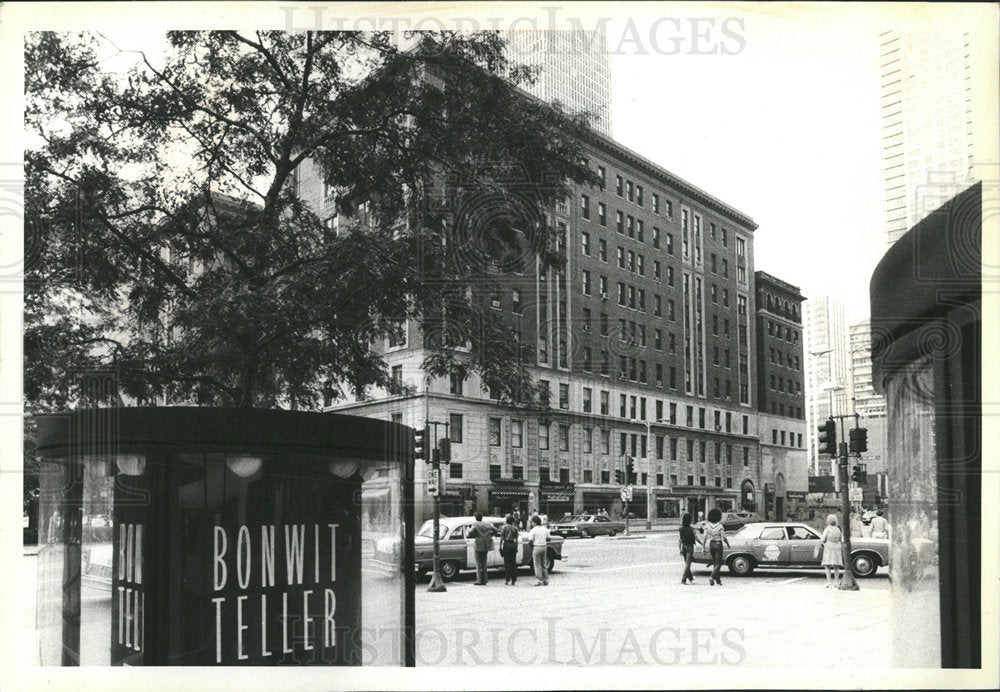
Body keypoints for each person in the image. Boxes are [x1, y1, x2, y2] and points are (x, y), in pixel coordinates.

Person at [701, 508, 729, 586]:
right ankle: (712, 577)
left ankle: (718, 581)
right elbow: (723, 537)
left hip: (711, 544)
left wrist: (703, 547)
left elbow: (704, 537)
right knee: (718, 563)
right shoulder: (720, 526)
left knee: (715, 563)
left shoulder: (707, 525)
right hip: (718, 544)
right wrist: (728, 544)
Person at [469, 512, 496, 585]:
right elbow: (495, 530)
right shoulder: (487, 524)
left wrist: (474, 535)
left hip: (478, 544)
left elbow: (470, 532)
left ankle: (479, 580)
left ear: (476, 518)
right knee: (484, 563)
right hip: (486, 544)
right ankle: (485, 580)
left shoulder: (475, 524)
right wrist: (490, 535)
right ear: (482, 517)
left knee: (478, 563)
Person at [819, 514, 844, 587]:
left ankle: (829, 582)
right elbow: (841, 539)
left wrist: (821, 543)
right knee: (836, 566)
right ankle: (836, 583)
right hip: (837, 547)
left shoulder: (827, 529)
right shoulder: (838, 529)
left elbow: (823, 539)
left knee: (827, 565)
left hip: (829, 546)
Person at [528, 515, 550, 586]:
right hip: (544, 546)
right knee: (544, 564)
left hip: (536, 546)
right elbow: (549, 539)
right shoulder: (545, 529)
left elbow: (530, 541)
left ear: (534, 523)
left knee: (537, 564)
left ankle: (539, 580)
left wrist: (532, 546)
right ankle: (546, 580)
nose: (531, 524)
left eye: (532, 522)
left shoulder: (533, 530)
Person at [499, 514, 520, 585]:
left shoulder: (504, 527)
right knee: (513, 562)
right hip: (513, 544)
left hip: (506, 544)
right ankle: (514, 579)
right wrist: (516, 547)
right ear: (512, 521)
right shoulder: (515, 528)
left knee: (507, 562)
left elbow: (502, 537)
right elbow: (517, 539)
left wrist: (500, 546)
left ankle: (507, 579)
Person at [678, 513, 697, 584]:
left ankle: (691, 578)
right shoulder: (692, 529)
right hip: (690, 546)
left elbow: (679, 540)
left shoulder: (680, 529)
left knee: (686, 563)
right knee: (688, 564)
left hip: (683, 546)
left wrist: (679, 550)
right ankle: (683, 580)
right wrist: (702, 544)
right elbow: (696, 538)